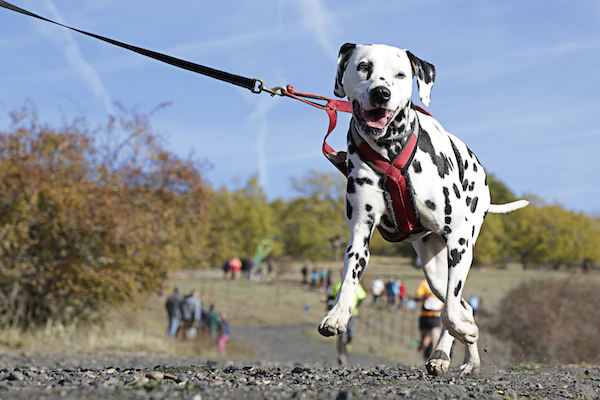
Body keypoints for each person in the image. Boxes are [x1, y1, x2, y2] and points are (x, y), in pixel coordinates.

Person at [327, 275, 367, 366]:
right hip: (339, 314)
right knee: (340, 334)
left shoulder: (355, 286)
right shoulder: (337, 285)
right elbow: (332, 298)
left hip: (352, 315)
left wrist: (357, 307)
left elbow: (362, 296)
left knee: (350, 333)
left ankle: (348, 343)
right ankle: (341, 356)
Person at [415, 279, 443, 359]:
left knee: (435, 340)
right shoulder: (424, 283)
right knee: (424, 340)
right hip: (424, 315)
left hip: (436, 316)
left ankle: (433, 359)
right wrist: (426, 296)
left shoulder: (442, 282)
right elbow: (417, 297)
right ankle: (424, 343)